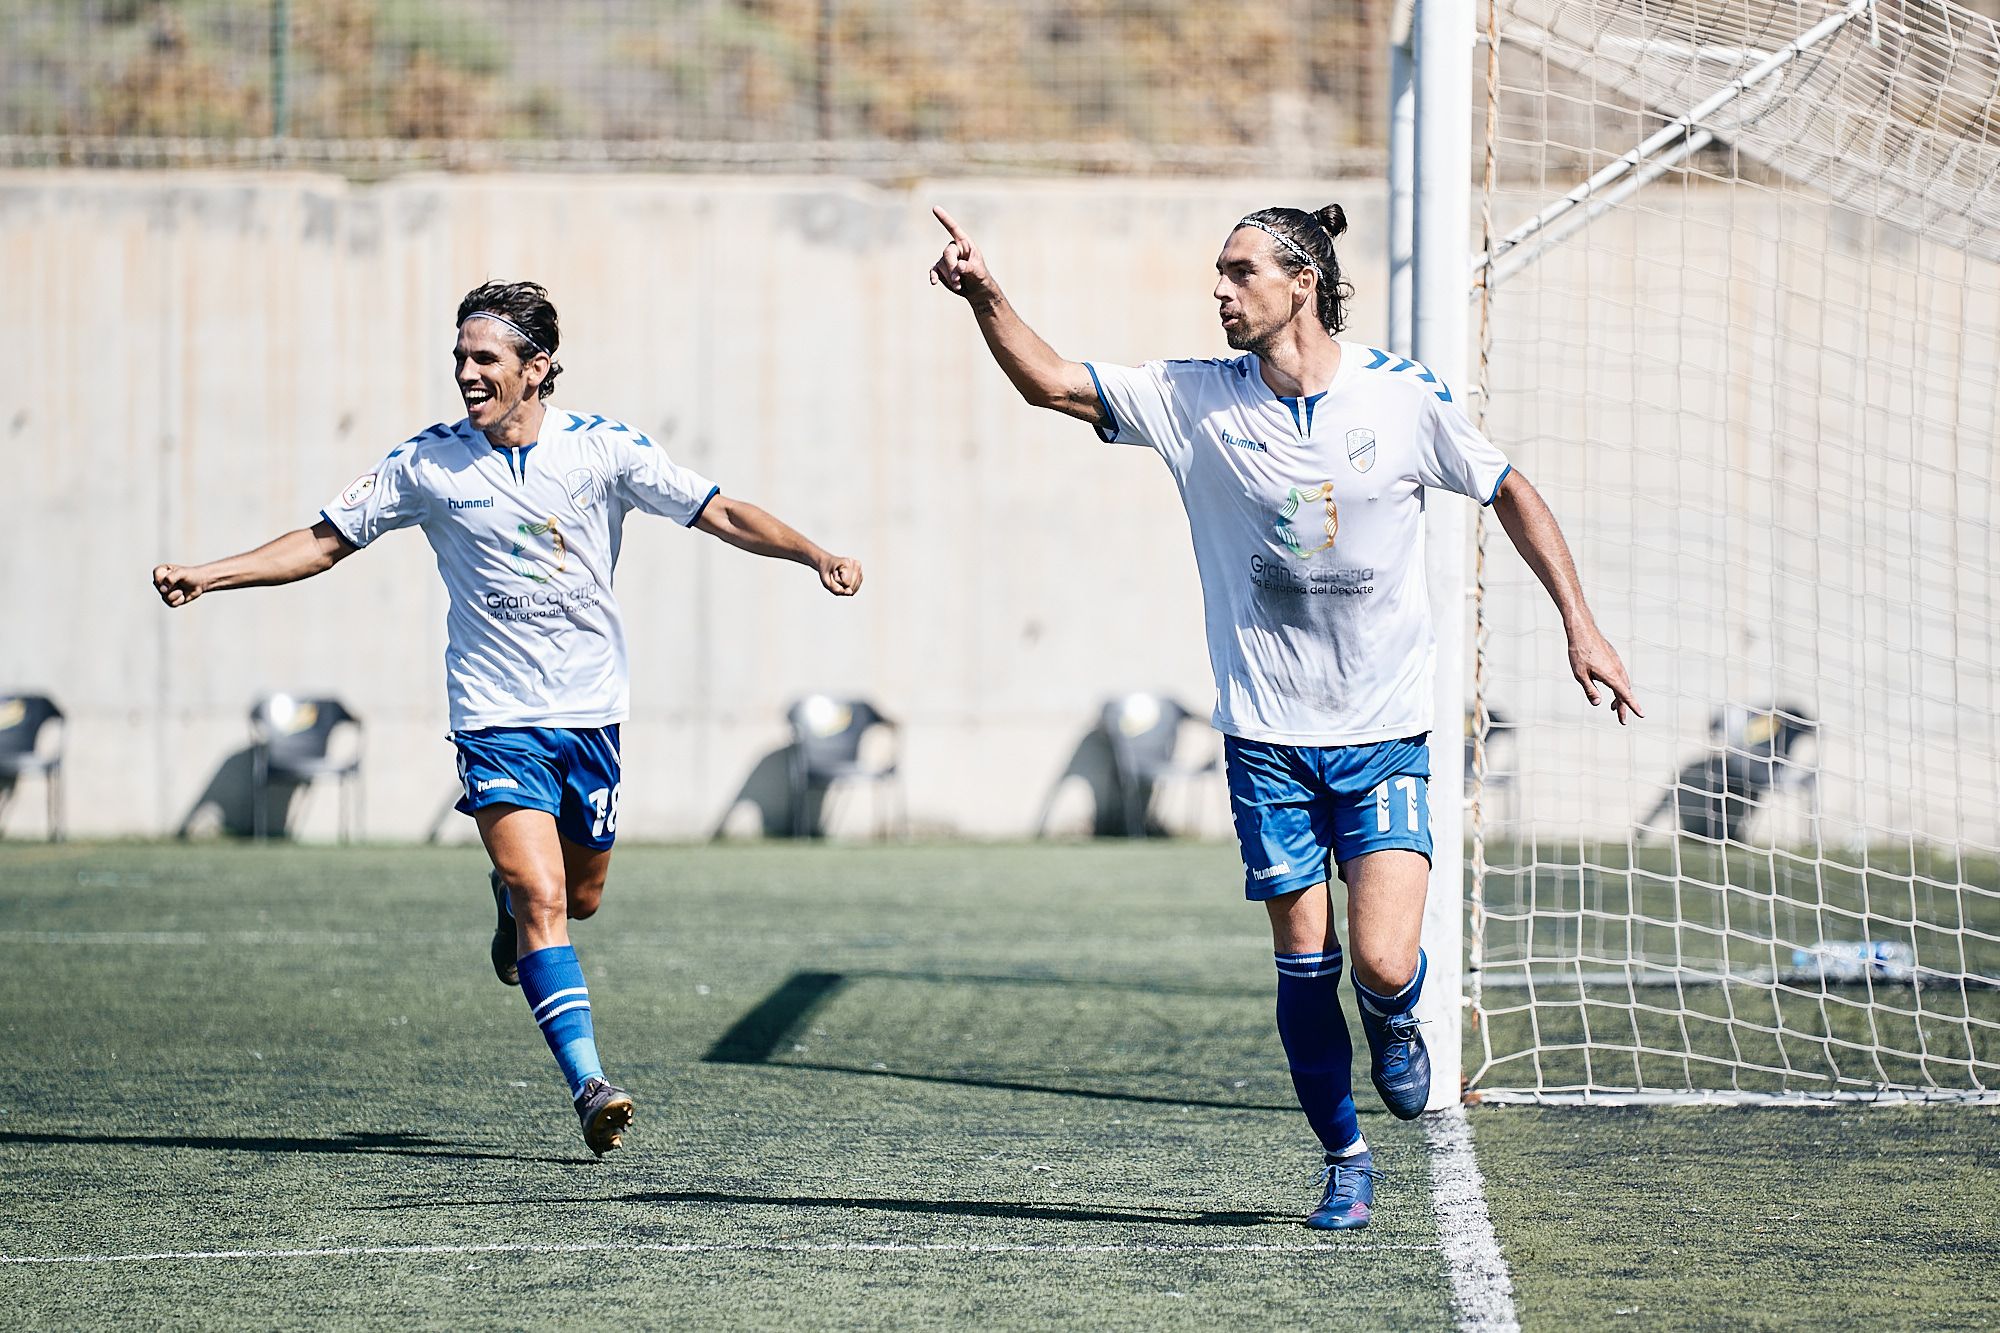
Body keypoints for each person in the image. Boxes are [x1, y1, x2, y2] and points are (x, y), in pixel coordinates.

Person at [928, 204, 1637, 1229]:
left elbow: (1506, 486)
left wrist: (1580, 624)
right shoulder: (1189, 398)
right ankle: (1343, 1159)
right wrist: (986, 293)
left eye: (1237, 271)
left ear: (1300, 281)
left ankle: (1394, 1019)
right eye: (1216, 272)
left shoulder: (1398, 397)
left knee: (1383, 962)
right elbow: (1050, 382)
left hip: (1382, 734)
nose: (1217, 290)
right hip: (1266, 742)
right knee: (1304, 962)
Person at [152, 280, 863, 1156]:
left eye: (484, 358)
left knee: (583, 896)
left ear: (538, 368)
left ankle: (511, 905)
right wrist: (211, 573)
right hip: (494, 718)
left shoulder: (603, 451)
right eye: (459, 358)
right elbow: (325, 539)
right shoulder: (426, 462)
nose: (465, 373)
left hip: (590, 718)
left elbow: (718, 510)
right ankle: (589, 1082)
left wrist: (813, 552)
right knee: (543, 894)